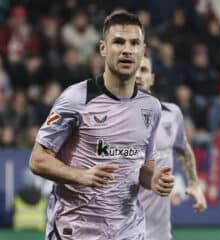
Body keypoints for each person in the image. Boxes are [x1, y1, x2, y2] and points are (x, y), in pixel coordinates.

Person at [29, 10, 174, 240]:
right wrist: (81, 176)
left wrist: (153, 180)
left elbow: (145, 167)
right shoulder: (77, 98)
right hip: (75, 231)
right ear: (103, 49)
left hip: (129, 231)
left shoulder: (151, 107)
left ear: (143, 51)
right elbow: (37, 160)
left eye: (135, 43)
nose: (127, 50)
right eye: (119, 42)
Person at [135, 54, 207, 240]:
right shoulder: (111, 117)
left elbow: (182, 149)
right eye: (133, 69)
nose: (137, 75)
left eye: (143, 70)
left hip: (159, 230)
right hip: (121, 226)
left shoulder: (171, 113)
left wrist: (194, 183)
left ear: (151, 79)